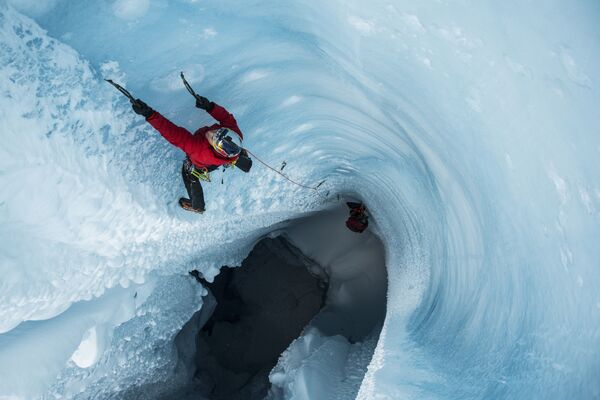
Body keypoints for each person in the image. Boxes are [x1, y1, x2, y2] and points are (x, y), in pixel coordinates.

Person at [131, 95, 244, 213]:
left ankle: (197, 206)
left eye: (214, 138)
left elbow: (173, 133)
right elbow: (226, 117)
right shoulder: (236, 133)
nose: (213, 132)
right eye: (219, 131)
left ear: (216, 148)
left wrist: (150, 115)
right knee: (233, 155)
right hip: (221, 159)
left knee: (189, 174)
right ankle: (234, 159)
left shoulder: (197, 148)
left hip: (201, 164)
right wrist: (210, 107)